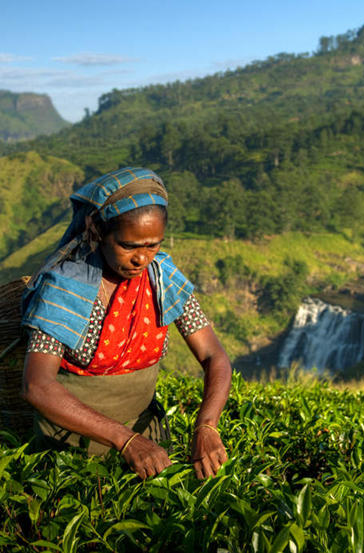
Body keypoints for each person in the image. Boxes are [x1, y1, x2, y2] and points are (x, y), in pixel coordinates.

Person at [20, 167, 231, 480]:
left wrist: (206, 426)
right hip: (69, 449)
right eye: (128, 246)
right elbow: (37, 386)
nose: (141, 258)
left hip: (148, 441)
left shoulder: (162, 278)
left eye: (152, 245)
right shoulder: (66, 287)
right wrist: (124, 439)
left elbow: (214, 356)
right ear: (97, 230)